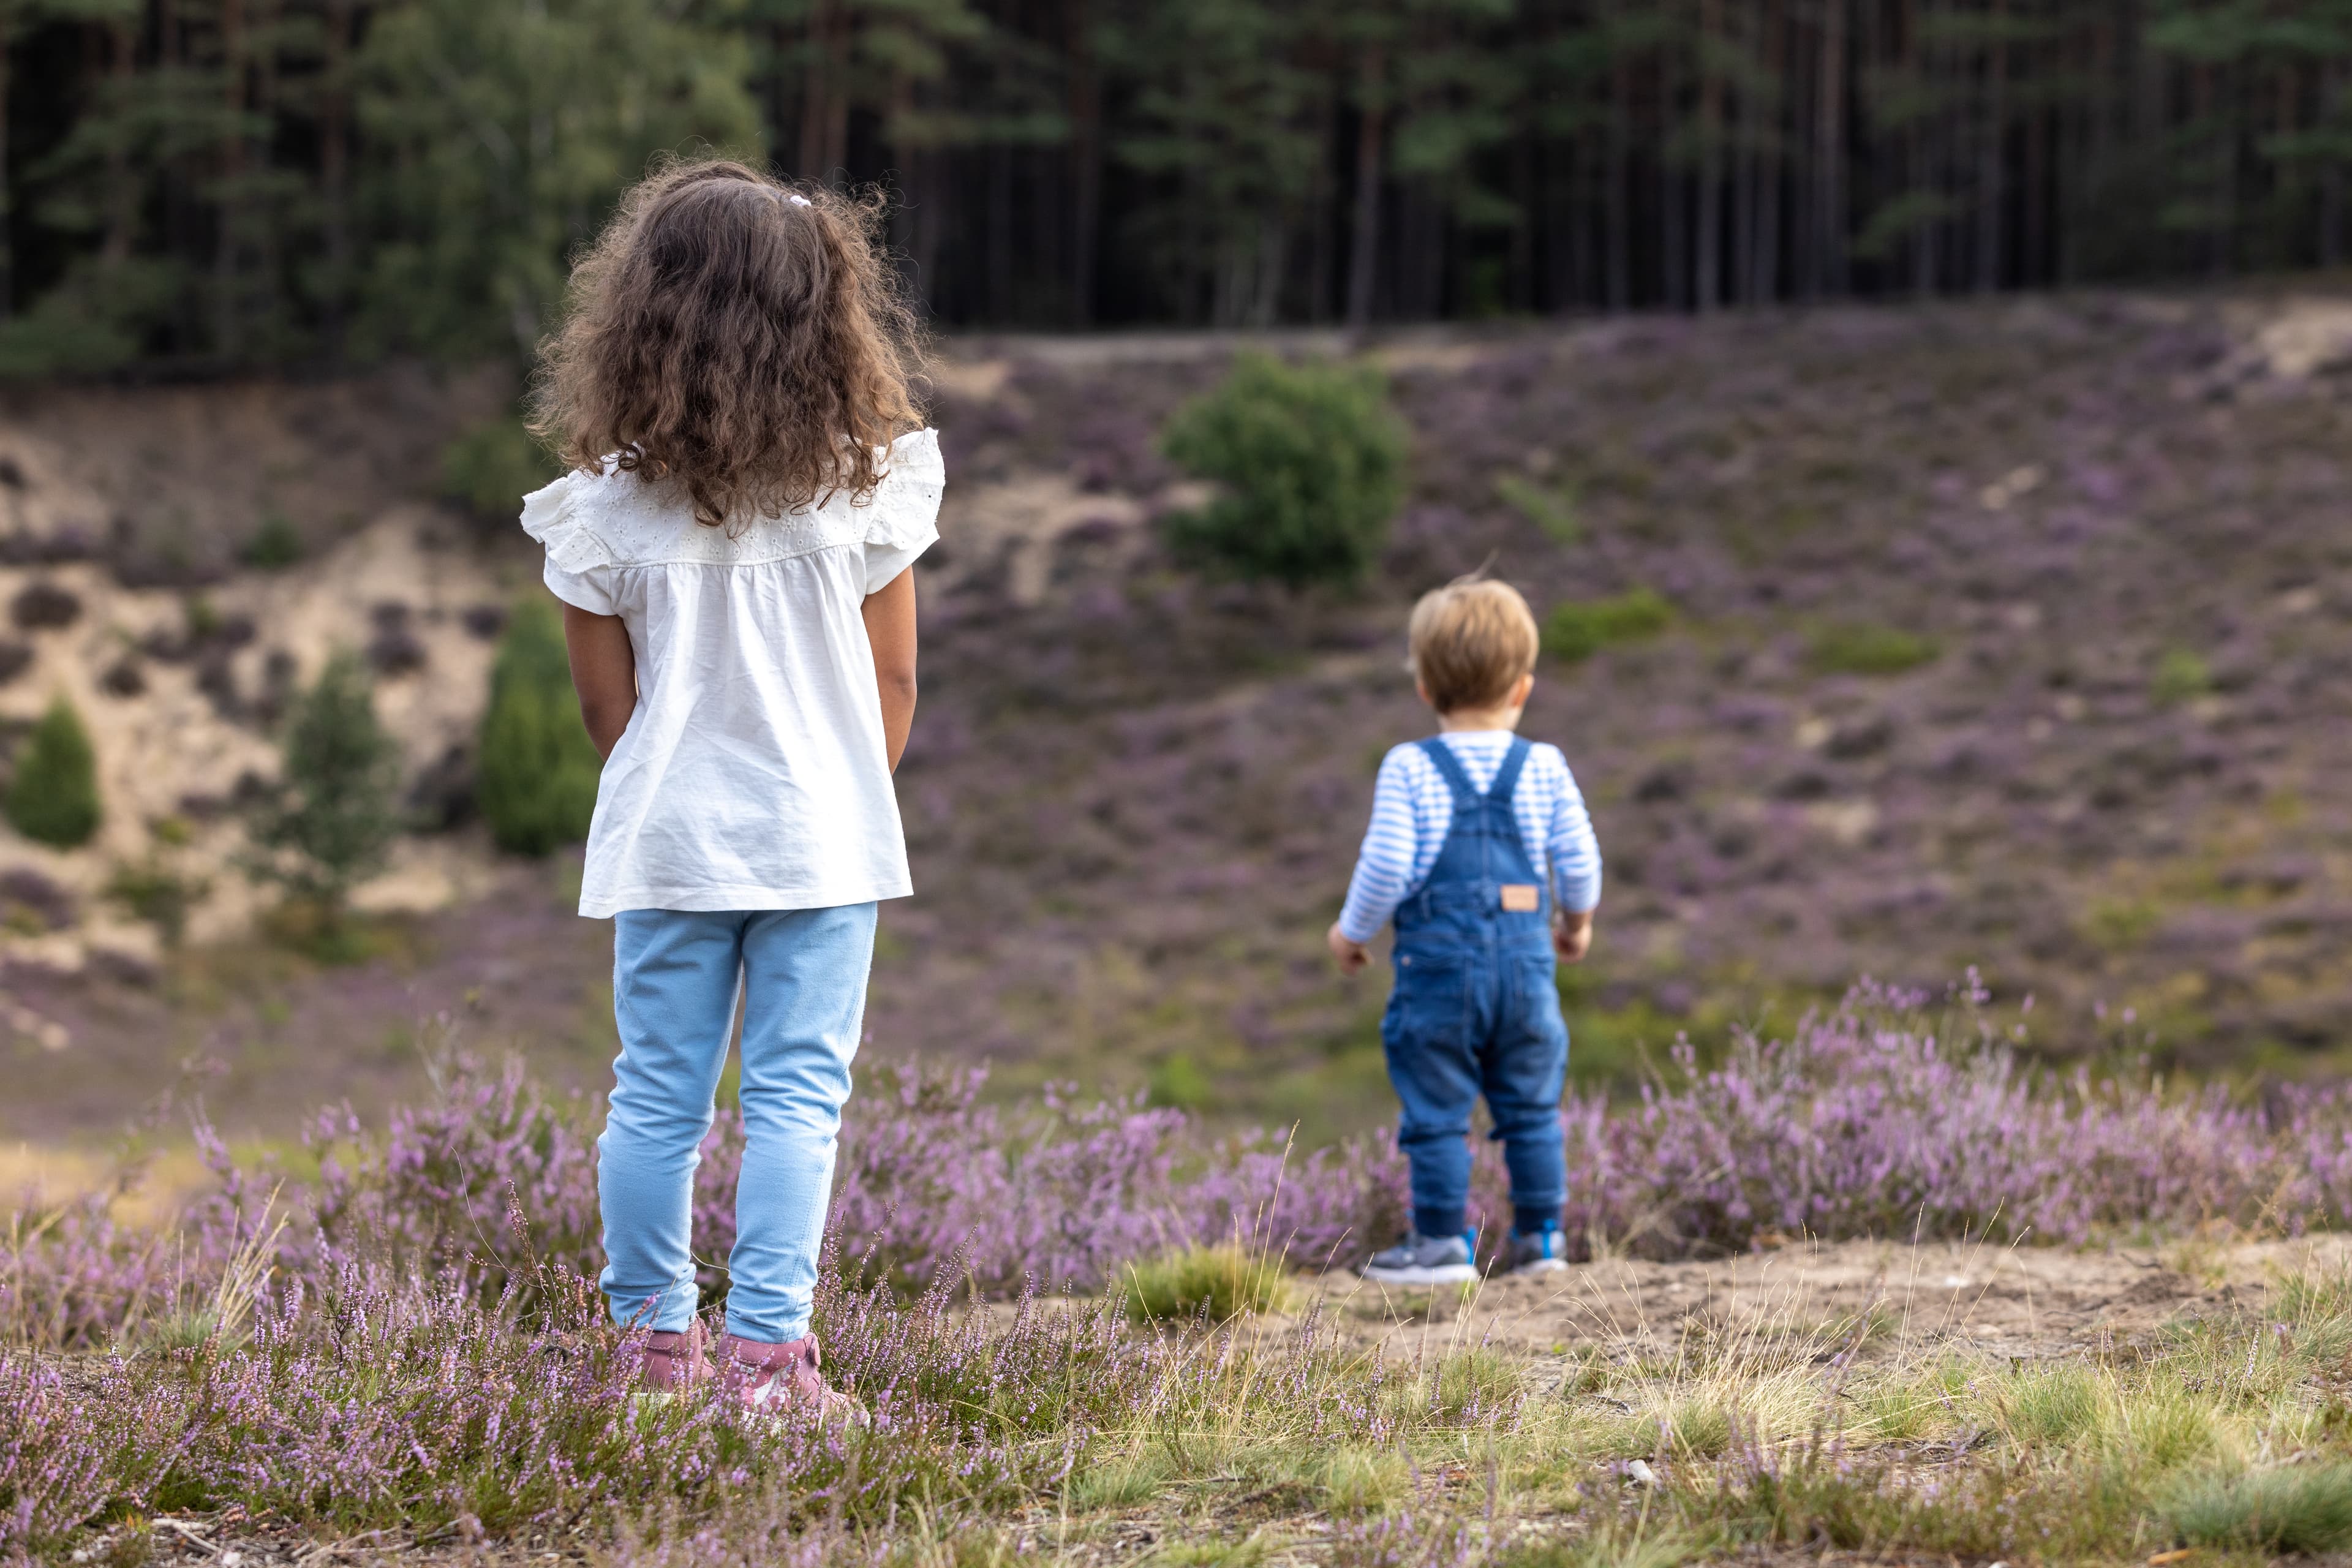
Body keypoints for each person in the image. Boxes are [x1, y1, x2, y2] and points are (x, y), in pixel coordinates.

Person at [520, 159, 938, 1417]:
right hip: (824, 841)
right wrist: (837, 796)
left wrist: (676, 795)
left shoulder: (603, 512)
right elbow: (896, 681)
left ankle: (650, 1351)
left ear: (642, 316)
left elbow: (609, 713)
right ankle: (767, 1364)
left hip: (672, 844)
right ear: (824, 318)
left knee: (656, 1097)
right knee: (798, 1098)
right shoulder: (864, 489)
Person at [1327, 576, 1601, 1286]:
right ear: (1523, 687)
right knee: (1532, 1109)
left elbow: (1387, 865)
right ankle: (1543, 1242)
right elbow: (1579, 859)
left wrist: (1352, 933)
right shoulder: (1544, 765)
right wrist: (1575, 923)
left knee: (1437, 1110)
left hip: (1438, 975)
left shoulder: (1410, 767)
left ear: (1425, 687)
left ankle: (1442, 1245)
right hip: (1526, 970)